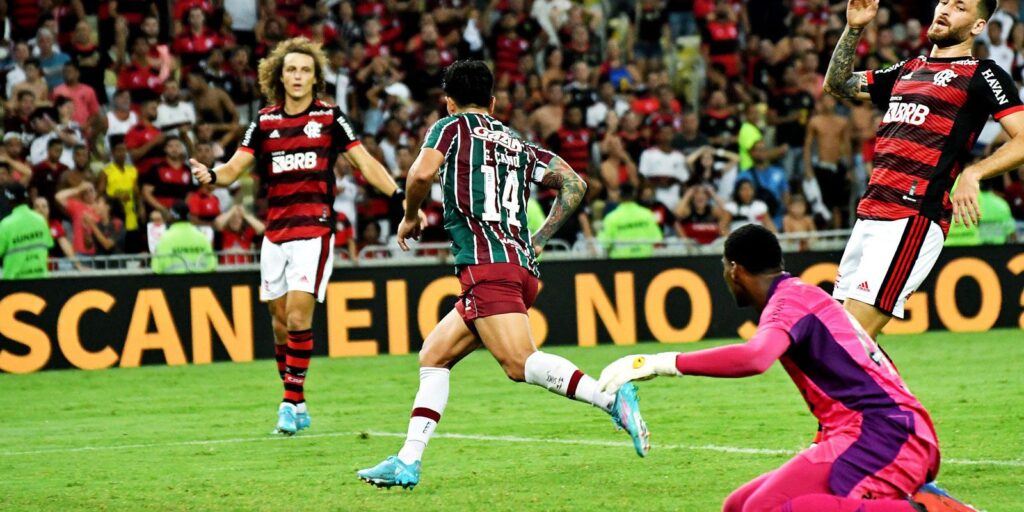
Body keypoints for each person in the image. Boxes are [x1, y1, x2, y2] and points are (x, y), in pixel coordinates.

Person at [357, 60, 650, 490]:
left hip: (488, 267)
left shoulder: (450, 128)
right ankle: (407, 460)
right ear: (493, 102)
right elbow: (574, 184)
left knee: (519, 363)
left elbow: (420, 173)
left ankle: (611, 398)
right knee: (434, 356)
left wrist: (411, 214)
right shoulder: (516, 142)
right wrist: (540, 238)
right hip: (518, 266)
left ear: (448, 101)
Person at [596, 224, 971, 512]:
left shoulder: (790, 303)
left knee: (763, 509)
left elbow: (755, 358)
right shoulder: (800, 295)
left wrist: (656, 363)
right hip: (873, 429)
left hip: (883, 434)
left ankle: (922, 508)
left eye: (725, 270)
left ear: (735, 270)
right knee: (737, 506)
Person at [190, 37, 404, 435]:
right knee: (279, 323)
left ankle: (288, 403)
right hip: (275, 233)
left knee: (297, 315)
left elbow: (364, 162)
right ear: (279, 75)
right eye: (291, 69)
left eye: (305, 70)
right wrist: (212, 176)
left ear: (315, 77)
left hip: (314, 230)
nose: (298, 76)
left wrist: (398, 194)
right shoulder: (265, 121)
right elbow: (234, 169)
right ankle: (299, 401)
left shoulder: (330, 118)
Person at [823, 0, 1024, 338]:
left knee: (847, 340)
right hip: (870, 215)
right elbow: (837, 85)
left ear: (977, 26)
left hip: (910, 216)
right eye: (944, 1)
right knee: (842, 339)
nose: (945, 9)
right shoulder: (908, 69)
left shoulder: (982, 74)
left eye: (960, 7)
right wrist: (854, 28)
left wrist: (972, 173)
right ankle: (890, 394)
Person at [0, 183, 53, 279]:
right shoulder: (41, 220)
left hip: (14, 282)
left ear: (9, 200)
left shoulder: (6, 224)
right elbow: (48, 244)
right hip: (41, 279)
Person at [598, 182, 664, 258]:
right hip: (645, 261)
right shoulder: (647, 214)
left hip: (620, 263)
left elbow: (604, 243)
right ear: (634, 195)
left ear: (619, 195)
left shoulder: (611, 217)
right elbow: (657, 239)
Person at [152, 201, 216, 274]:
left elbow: (156, 268)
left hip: (172, 283)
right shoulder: (202, 237)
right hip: (200, 283)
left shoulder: (164, 238)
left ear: (172, 216)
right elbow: (212, 266)